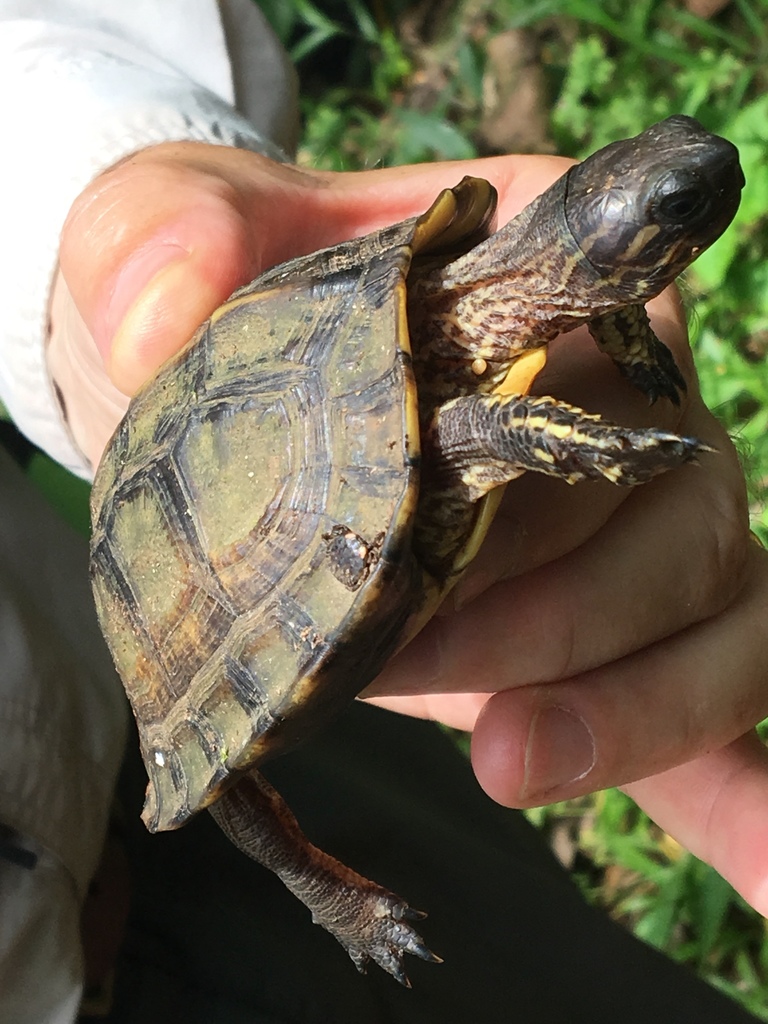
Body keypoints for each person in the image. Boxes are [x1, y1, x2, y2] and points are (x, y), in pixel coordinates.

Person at [1, 3, 767, 1021]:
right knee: (237, 777)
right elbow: (466, 436)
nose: (702, 187)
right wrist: (596, 446)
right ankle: (326, 892)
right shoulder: (501, 343)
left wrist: (95, 218)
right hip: (179, 640)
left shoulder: (499, 285)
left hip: (88, 729)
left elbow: (521, 318)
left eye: (666, 185)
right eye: (675, 206)